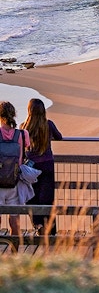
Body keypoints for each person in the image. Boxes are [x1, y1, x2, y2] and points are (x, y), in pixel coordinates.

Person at [20, 98, 63, 234]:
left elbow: (22, 147)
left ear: (29, 111)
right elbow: (59, 137)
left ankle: (38, 225)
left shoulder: (23, 127)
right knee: (47, 197)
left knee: (32, 197)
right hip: (47, 165)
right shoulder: (48, 124)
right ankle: (51, 228)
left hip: (31, 167)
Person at [0, 101, 30, 235]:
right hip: (15, 181)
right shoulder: (23, 134)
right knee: (14, 220)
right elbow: (27, 149)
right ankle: (14, 251)